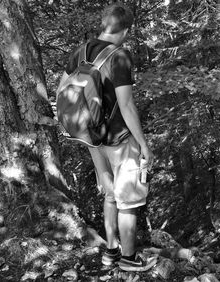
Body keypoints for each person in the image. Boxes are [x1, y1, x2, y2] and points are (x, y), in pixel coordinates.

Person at [59, 3, 156, 272]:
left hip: (90, 137)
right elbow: (126, 105)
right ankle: (129, 259)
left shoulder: (80, 51)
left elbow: (62, 89)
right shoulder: (119, 56)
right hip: (117, 139)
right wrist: (144, 145)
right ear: (125, 30)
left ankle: (110, 252)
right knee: (129, 200)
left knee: (111, 194)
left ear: (104, 25)